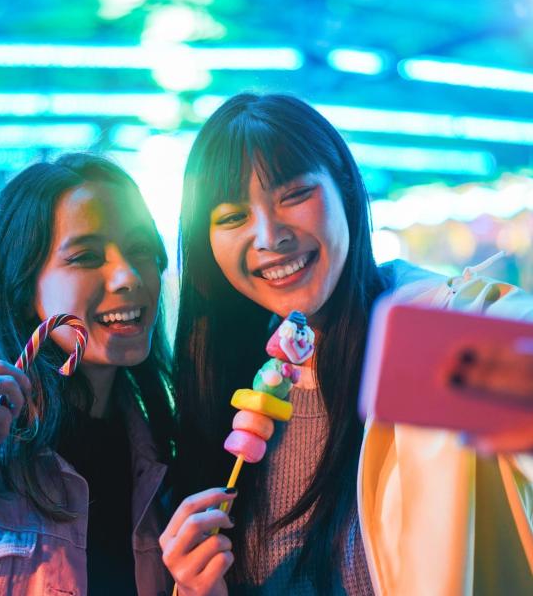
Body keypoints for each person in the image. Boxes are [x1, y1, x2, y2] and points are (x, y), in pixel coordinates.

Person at [159, 93, 533, 595]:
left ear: (347, 193)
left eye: (293, 194)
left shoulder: (436, 330)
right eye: (232, 217)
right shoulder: (223, 381)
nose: (269, 237)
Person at [0, 153, 175, 595]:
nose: (128, 275)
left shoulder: (165, 459)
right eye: (86, 256)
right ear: (20, 284)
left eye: (140, 250)